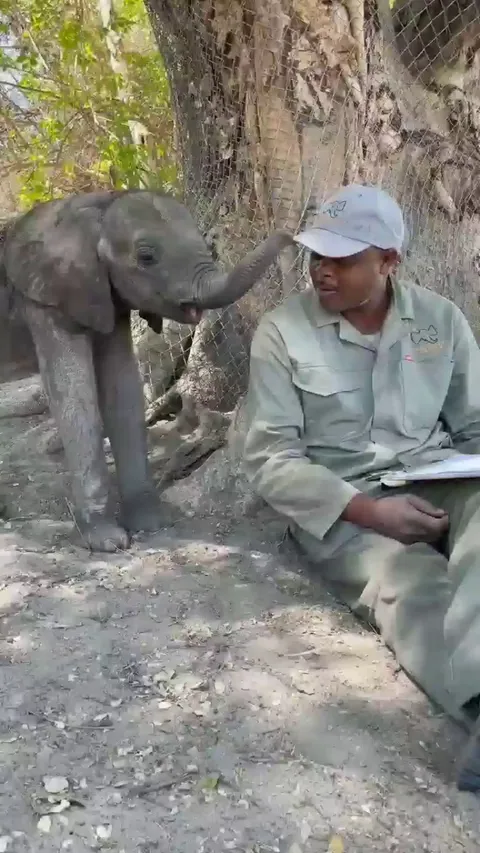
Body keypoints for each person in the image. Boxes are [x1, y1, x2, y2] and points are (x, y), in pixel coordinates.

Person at [241, 183, 480, 792]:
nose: (323, 270)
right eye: (316, 256)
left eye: (343, 259)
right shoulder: (281, 331)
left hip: (434, 473)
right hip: (341, 503)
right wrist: (373, 513)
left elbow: (474, 425)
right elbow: (270, 459)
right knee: (407, 581)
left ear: (388, 262)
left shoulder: (439, 319)